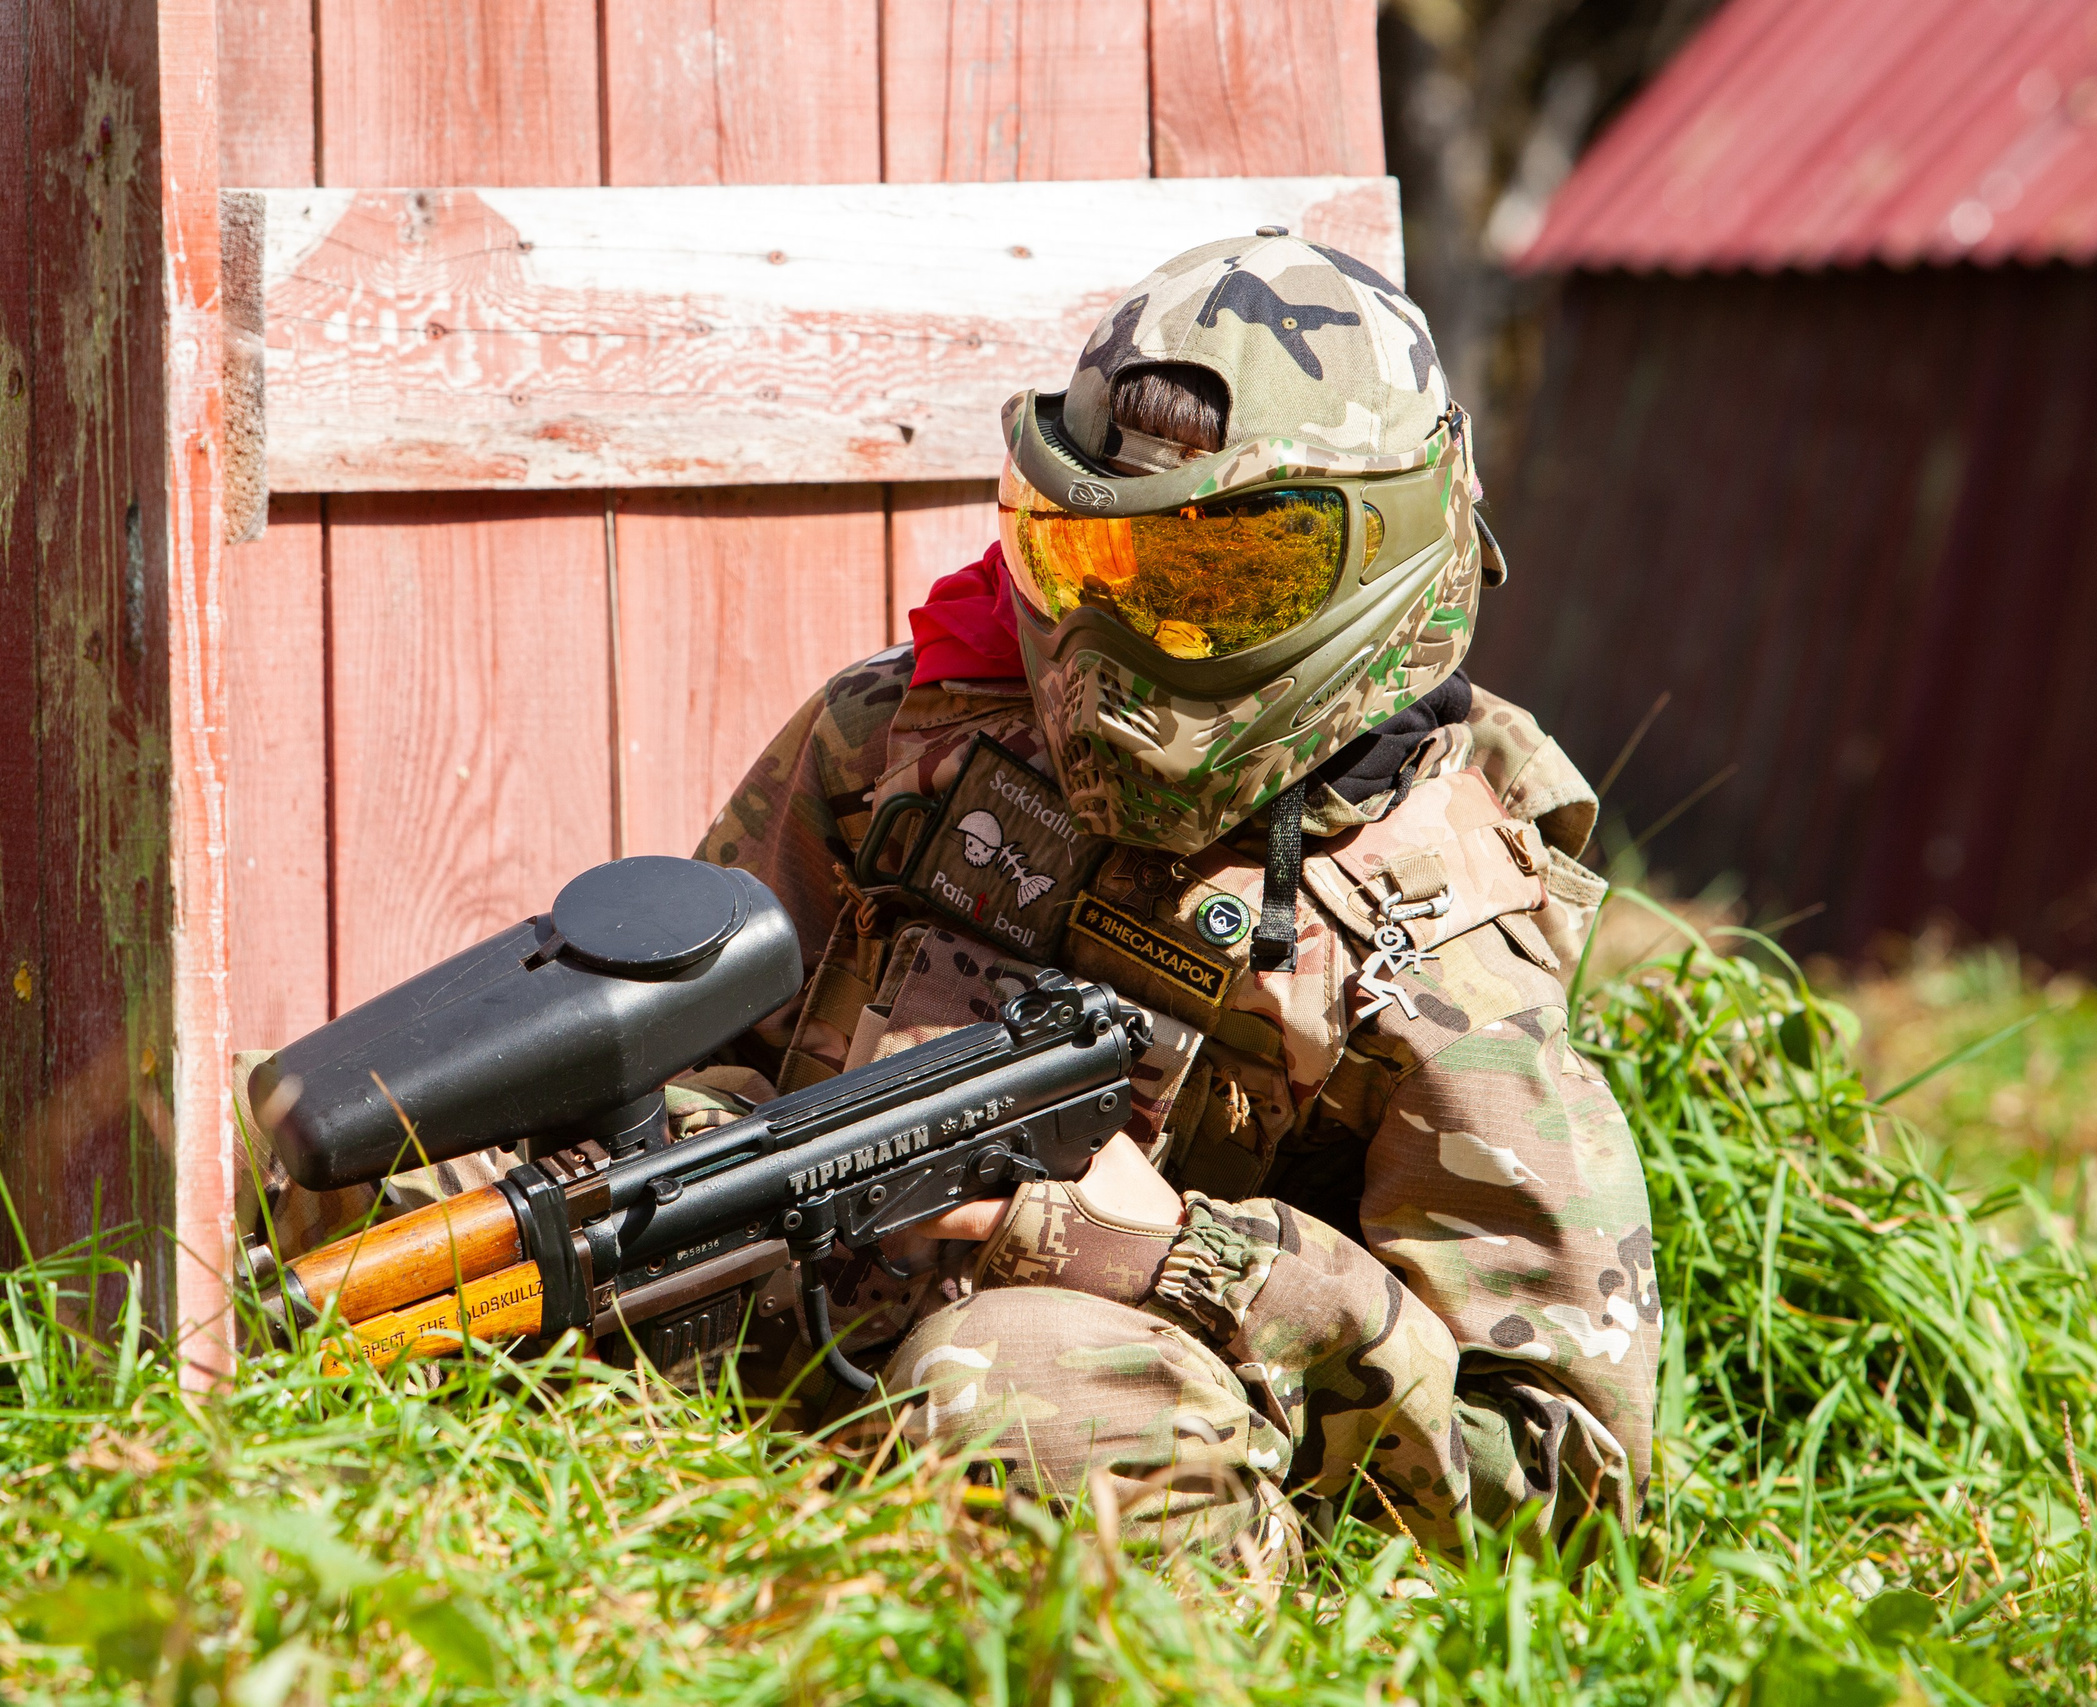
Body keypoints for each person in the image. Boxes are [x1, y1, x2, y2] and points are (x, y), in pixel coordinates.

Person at [686, 230, 1659, 1563]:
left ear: (1387, 555)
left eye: (1214, 582)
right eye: (1089, 566)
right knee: (367, 1138)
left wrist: (1193, 1262)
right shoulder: (903, 739)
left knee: (1016, 1386)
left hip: (1107, 1432)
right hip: (793, 1340)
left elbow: (1565, 1489)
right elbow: (697, 1044)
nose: (1121, 645)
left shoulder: (1442, 956)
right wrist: (686, 1175)